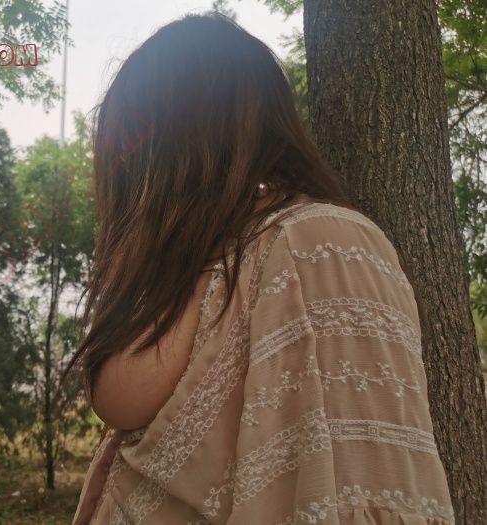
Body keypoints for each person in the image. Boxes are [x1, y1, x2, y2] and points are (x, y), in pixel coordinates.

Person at [61, 11, 455, 525]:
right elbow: (123, 395)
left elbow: (363, 486)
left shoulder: (319, 243)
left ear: (187, 136)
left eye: (136, 140)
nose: (126, 169)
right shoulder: (199, 259)